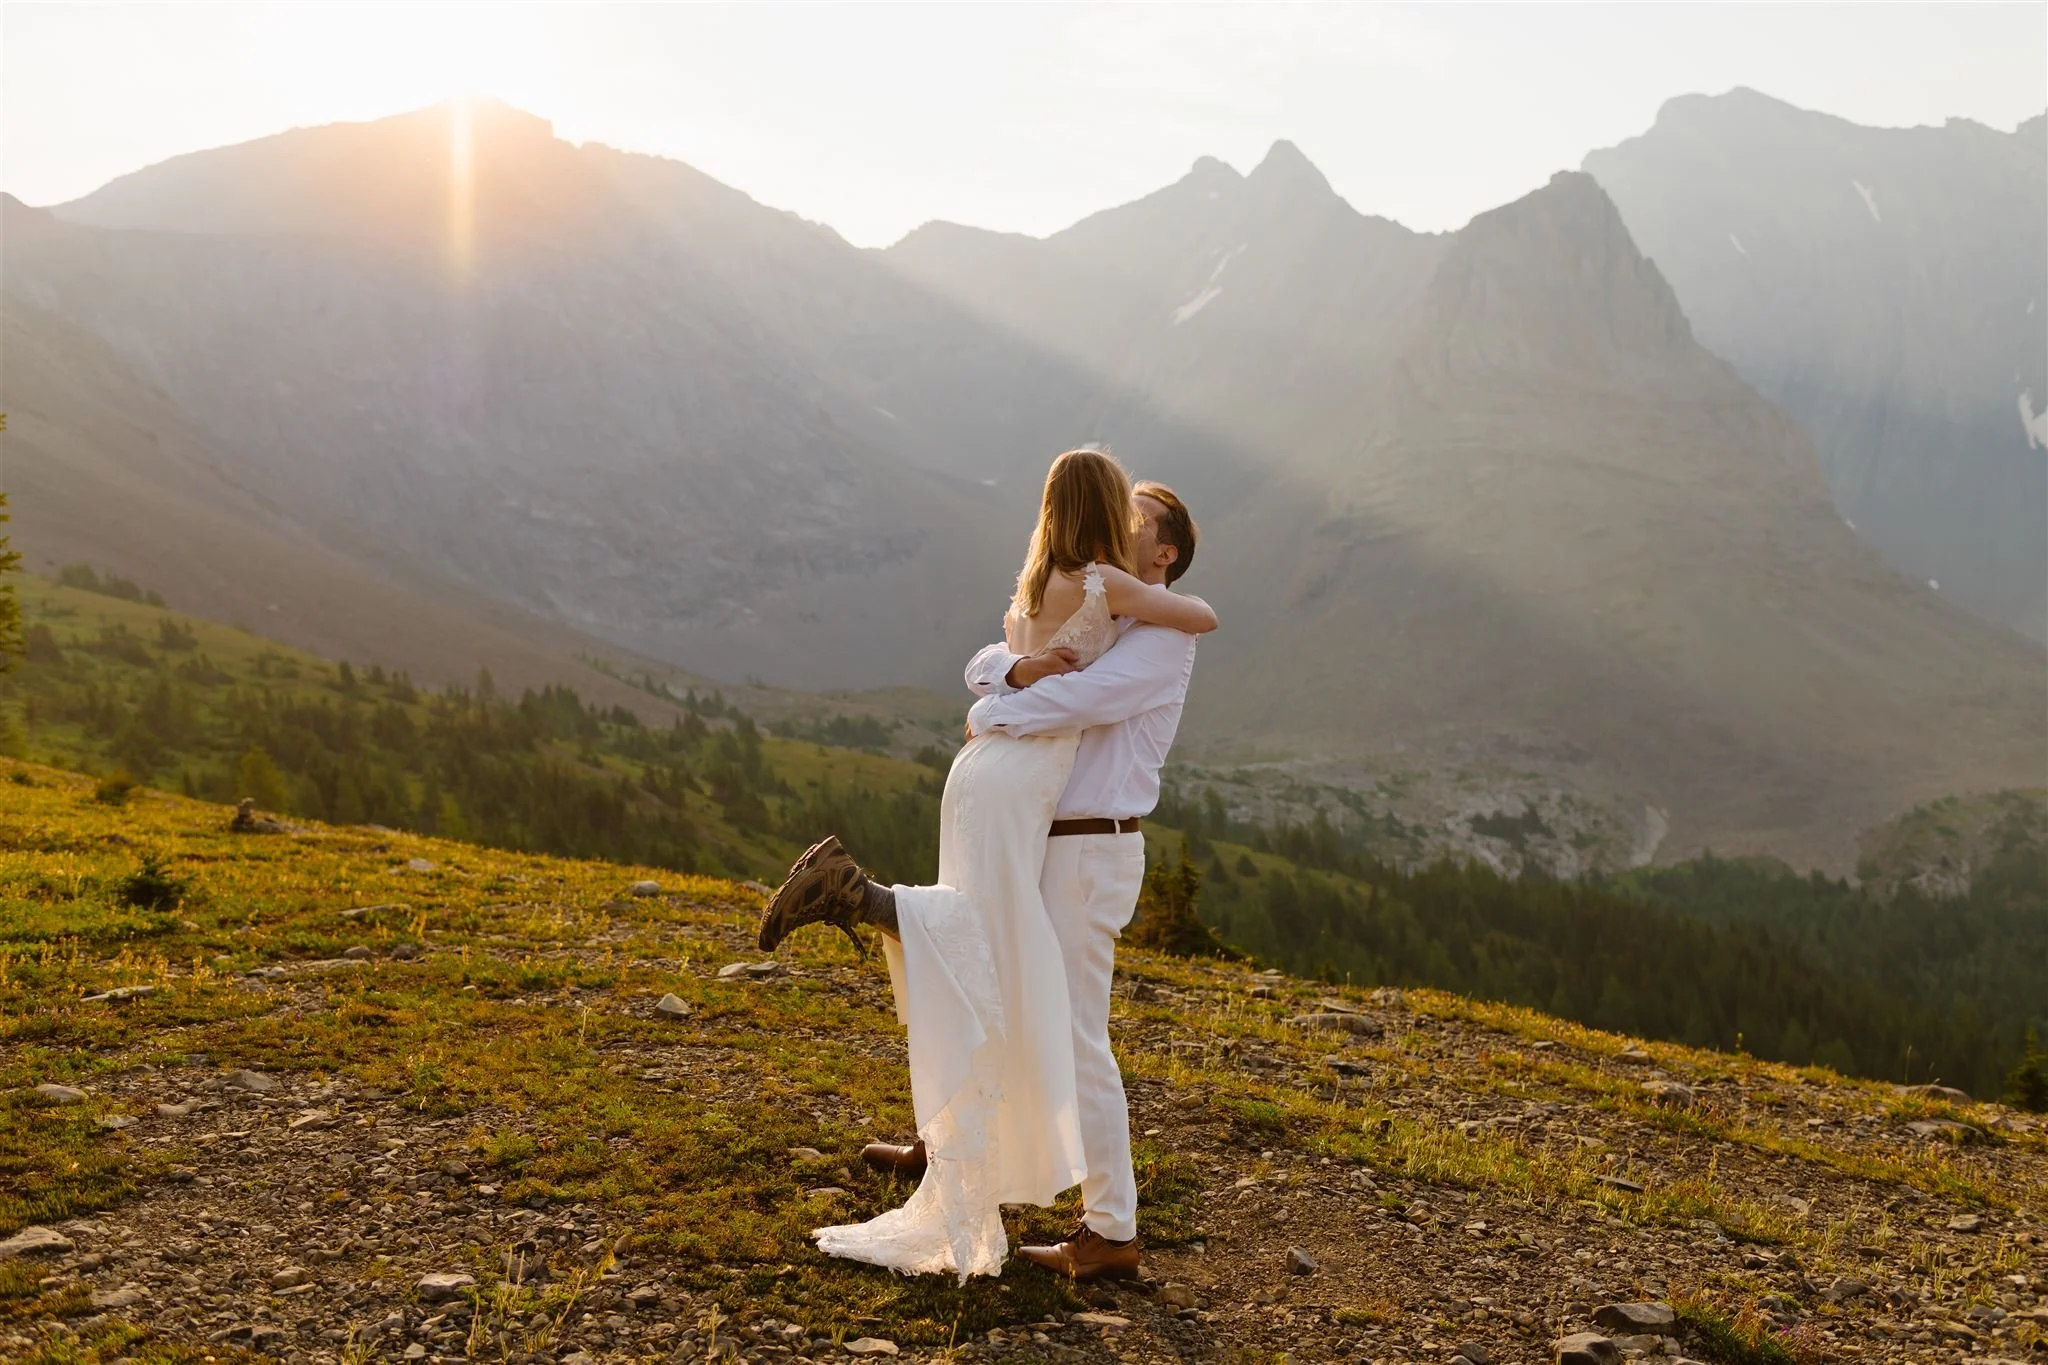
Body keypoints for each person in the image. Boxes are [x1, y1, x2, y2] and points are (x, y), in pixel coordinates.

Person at [755, 450, 1216, 1281]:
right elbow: (993, 649)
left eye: (1141, 514)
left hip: (1088, 847)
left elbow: (1081, 701)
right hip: (1040, 830)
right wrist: (1003, 674)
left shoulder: (1161, 639)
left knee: (1076, 1035)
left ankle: (1111, 1229)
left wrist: (991, 707)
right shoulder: (1100, 601)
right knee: (986, 979)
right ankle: (949, 1148)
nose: (1126, 516)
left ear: (1166, 553)